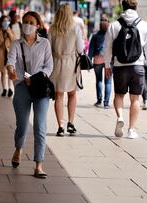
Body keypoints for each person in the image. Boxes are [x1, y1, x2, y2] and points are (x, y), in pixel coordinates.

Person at [6, 11, 53, 179]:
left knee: (40, 126)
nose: (28, 24)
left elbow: (49, 66)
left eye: (31, 22)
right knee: (23, 125)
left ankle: (38, 165)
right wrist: (11, 70)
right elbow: (10, 61)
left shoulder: (45, 44)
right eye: (25, 21)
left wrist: (38, 77)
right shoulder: (16, 44)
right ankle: (18, 149)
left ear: (38, 25)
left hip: (40, 89)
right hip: (22, 88)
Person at [104, 0, 147, 139]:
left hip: (120, 66)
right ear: (136, 6)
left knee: (119, 95)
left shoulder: (114, 25)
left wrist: (107, 66)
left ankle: (120, 117)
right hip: (138, 66)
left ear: (122, 6)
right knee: (135, 99)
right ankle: (131, 130)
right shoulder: (144, 25)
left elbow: (107, 48)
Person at [49, 4, 84, 137]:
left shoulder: (52, 29)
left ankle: (60, 126)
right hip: (71, 64)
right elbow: (80, 49)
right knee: (72, 94)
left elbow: (48, 47)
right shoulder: (75, 28)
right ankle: (71, 123)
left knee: (58, 96)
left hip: (56, 64)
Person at [88, 15, 111, 109]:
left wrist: (89, 62)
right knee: (108, 82)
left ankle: (99, 100)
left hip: (97, 60)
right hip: (108, 60)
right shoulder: (111, 36)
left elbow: (91, 50)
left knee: (99, 80)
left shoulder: (95, 36)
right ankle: (106, 103)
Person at [0, 15, 15, 97]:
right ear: (1, 22)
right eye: (4, 21)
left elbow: (14, 40)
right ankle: (4, 89)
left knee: (10, 73)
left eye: (7, 20)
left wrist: (9, 32)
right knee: (3, 73)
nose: (5, 22)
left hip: (9, 54)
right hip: (1, 54)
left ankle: (10, 89)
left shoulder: (11, 30)